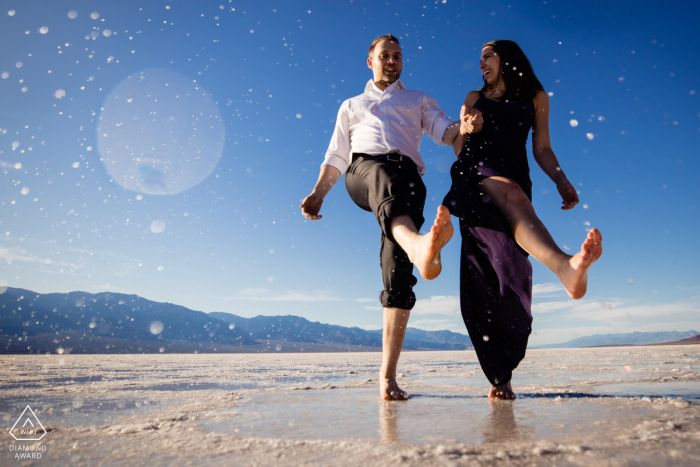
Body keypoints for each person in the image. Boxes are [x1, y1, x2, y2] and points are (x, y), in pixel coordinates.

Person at [301, 34, 483, 401]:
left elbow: (443, 131)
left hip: (408, 181)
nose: (392, 60)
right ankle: (419, 245)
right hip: (363, 174)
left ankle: (387, 378)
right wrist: (319, 193)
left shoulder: (417, 99)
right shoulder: (351, 105)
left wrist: (463, 128)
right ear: (370, 61)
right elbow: (337, 155)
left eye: (397, 55)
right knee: (382, 175)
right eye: (385, 55)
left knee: (397, 277)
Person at [443, 40, 603, 400]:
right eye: (480, 57)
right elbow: (457, 145)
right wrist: (467, 129)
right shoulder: (473, 96)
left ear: (506, 58)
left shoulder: (536, 97)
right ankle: (566, 268)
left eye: (488, 55)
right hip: (478, 178)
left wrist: (561, 179)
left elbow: (542, 148)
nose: (481, 62)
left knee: (507, 277)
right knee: (481, 276)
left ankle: (502, 378)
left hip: (516, 180)